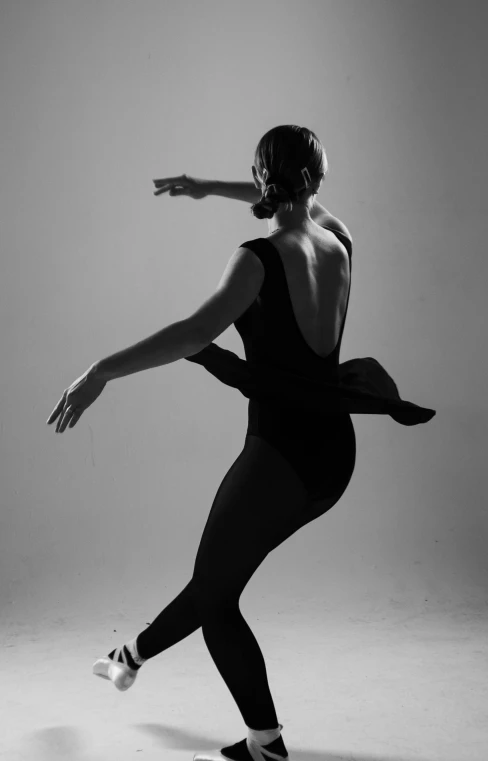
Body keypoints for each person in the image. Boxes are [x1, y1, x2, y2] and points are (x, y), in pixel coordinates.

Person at [48, 125, 435, 761]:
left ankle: (266, 744)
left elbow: (191, 332)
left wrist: (100, 373)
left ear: (263, 181)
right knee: (215, 582)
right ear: (319, 177)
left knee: (217, 598)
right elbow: (299, 200)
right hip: (333, 457)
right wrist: (213, 189)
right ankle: (130, 656)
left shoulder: (256, 259)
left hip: (278, 457)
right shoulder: (339, 243)